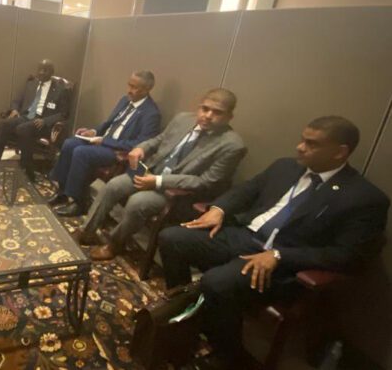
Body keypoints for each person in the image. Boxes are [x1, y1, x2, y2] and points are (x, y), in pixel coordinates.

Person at [159, 116, 389, 369]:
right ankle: (185, 313)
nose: (300, 147)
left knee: (216, 282)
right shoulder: (286, 167)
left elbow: (348, 255)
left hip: (284, 263)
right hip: (246, 236)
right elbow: (246, 190)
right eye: (302, 140)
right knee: (172, 238)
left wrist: (280, 256)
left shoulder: (363, 198)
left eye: (312, 144)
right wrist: (219, 209)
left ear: (340, 152)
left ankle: (228, 354)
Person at [79, 88, 247, 261]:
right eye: (205, 109)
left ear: (229, 117)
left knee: (137, 202)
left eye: (217, 112)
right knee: (113, 185)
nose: (208, 115)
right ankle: (87, 231)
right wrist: (141, 148)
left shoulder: (232, 146)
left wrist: (158, 181)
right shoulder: (183, 119)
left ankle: (115, 244)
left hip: (176, 193)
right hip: (150, 172)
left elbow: (205, 182)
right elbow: (159, 140)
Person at [50, 70, 161, 216]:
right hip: (102, 141)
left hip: (116, 150)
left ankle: (78, 202)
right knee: (69, 143)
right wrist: (93, 132)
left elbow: (140, 144)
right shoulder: (125, 100)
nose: (129, 90)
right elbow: (108, 123)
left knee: (81, 152)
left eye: (134, 87)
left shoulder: (151, 113)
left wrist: (105, 141)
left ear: (147, 90)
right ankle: (62, 192)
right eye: (129, 85)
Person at [0, 59, 71, 181]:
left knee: (23, 129)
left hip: (42, 122)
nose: (41, 72)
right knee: (3, 124)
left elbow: (63, 114)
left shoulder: (60, 89)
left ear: (52, 72)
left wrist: (46, 121)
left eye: (45, 70)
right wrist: (15, 109)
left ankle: (26, 169)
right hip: (26, 116)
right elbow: (17, 100)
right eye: (40, 69)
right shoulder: (31, 84)